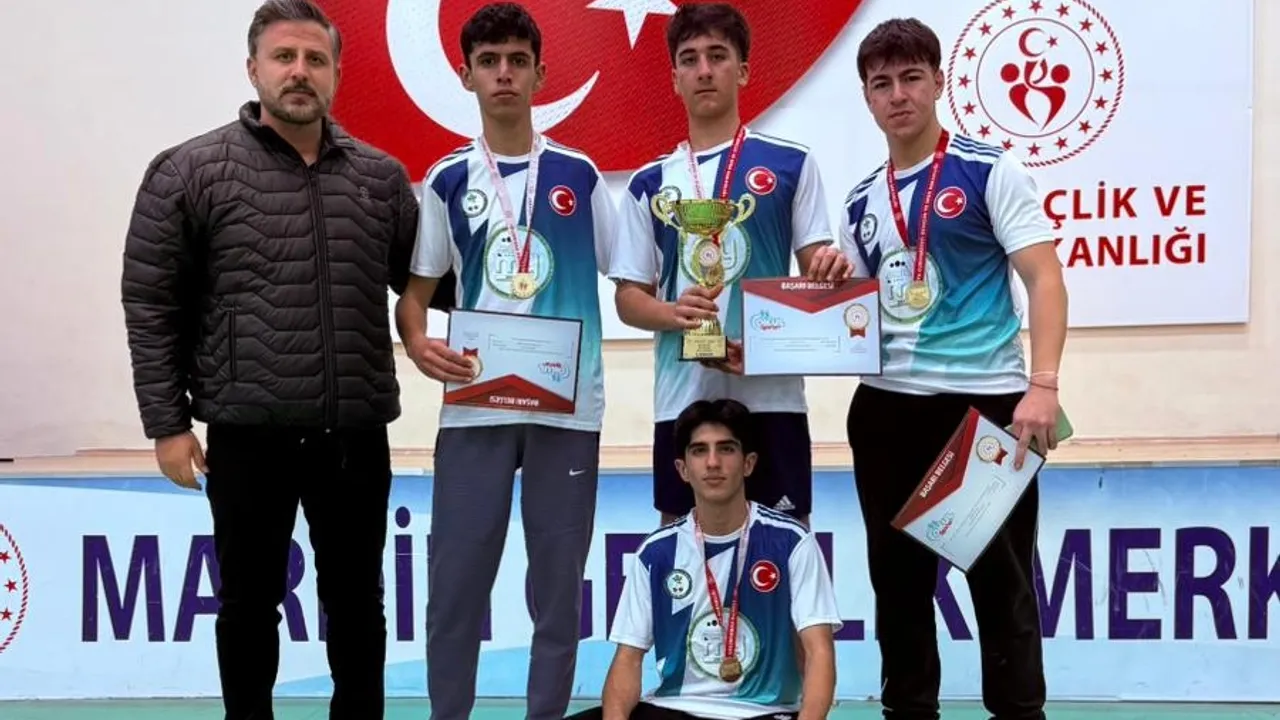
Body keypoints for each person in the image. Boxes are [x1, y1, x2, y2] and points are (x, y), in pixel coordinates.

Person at [118, 1, 432, 717]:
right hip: (246, 435)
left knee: (358, 606)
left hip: (354, 435)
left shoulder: (381, 179)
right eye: (284, 57)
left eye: (315, 60)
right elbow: (151, 303)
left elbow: (427, 280)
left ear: (337, 74)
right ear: (252, 68)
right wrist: (167, 424)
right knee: (248, 605)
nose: (299, 72)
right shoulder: (189, 172)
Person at [839, 17, 1069, 720]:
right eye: (882, 84)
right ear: (867, 98)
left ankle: (1020, 713)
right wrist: (820, 290)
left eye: (912, 78)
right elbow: (855, 315)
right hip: (884, 410)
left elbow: (1045, 279)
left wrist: (1043, 386)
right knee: (897, 587)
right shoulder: (860, 200)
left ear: (939, 82)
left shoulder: (989, 169)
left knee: (1000, 586)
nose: (898, 95)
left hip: (982, 407)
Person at [392, 4, 615, 719]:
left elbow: (633, 275)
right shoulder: (447, 179)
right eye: (489, 62)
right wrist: (417, 344)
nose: (504, 74)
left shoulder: (580, 175)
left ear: (541, 74)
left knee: (558, 589)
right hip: (474, 408)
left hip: (567, 409)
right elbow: (415, 296)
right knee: (455, 586)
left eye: (518, 61)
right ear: (467, 76)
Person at [609, 2, 852, 529]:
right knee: (685, 556)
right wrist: (675, 314)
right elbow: (628, 298)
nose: (704, 70)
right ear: (674, 78)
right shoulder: (649, 183)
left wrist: (831, 269)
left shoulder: (791, 164)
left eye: (717, 56)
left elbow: (814, 269)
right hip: (683, 398)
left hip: (772, 397)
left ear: (742, 70)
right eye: (690, 59)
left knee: (782, 552)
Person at [568, 399, 841, 720]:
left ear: (748, 463)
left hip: (762, 712)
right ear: (683, 469)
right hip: (675, 710)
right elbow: (628, 659)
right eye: (699, 451)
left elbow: (819, 650)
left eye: (726, 449)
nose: (713, 462)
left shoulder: (792, 542)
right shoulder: (656, 552)